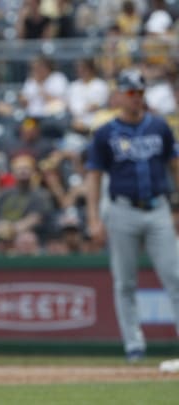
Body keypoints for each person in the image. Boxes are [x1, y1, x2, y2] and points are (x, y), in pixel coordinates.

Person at [85, 68, 179, 363]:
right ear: (118, 95)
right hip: (122, 209)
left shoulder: (159, 126)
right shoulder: (105, 133)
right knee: (125, 282)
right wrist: (93, 218)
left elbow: (175, 166)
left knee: (175, 276)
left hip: (158, 207)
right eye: (130, 93)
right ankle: (133, 346)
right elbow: (94, 177)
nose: (136, 98)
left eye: (139, 92)